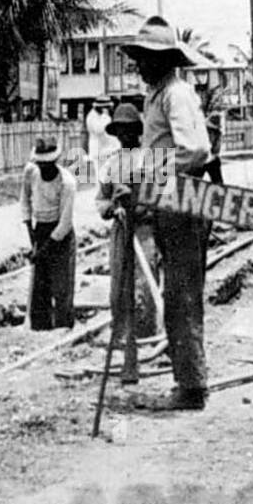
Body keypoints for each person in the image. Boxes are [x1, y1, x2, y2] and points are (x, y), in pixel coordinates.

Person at [123, 16, 212, 412]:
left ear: (166, 60)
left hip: (183, 198)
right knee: (176, 292)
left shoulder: (175, 94)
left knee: (181, 294)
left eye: (148, 58)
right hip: (167, 198)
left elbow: (193, 151)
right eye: (139, 57)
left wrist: (149, 173)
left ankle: (191, 387)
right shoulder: (158, 94)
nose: (140, 65)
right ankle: (188, 379)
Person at [95, 102, 160, 384]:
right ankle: (123, 340)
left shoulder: (153, 159)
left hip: (145, 230)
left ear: (137, 131)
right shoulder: (112, 162)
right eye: (120, 131)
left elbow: (164, 196)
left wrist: (145, 208)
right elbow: (100, 199)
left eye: (129, 131)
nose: (125, 136)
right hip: (122, 230)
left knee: (146, 285)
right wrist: (112, 208)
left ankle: (149, 340)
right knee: (119, 284)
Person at [20, 137, 77, 331]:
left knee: (61, 288)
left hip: (60, 236)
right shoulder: (30, 173)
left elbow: (64, 224)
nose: (43, 168)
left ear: (55, 161)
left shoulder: (67, 182)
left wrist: (42, 250)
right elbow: (25, 202)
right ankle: (39, 329)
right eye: (40, 164)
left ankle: (63, 328)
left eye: (47, 164)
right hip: (40, 231)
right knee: (39, 287)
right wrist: (32, 235)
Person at [84, 96, 117, 178]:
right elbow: (99, 129)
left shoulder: (101, 116)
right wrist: (106, 116)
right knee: (101, 177)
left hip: (107, 149)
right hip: (98, 150)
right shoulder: (92, 117)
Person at [204, 112, 224, 184]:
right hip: (200, 157)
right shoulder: (202, 131)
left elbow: (216, 151)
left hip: (211, 158)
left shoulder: (218, 134)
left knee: (218, 182)